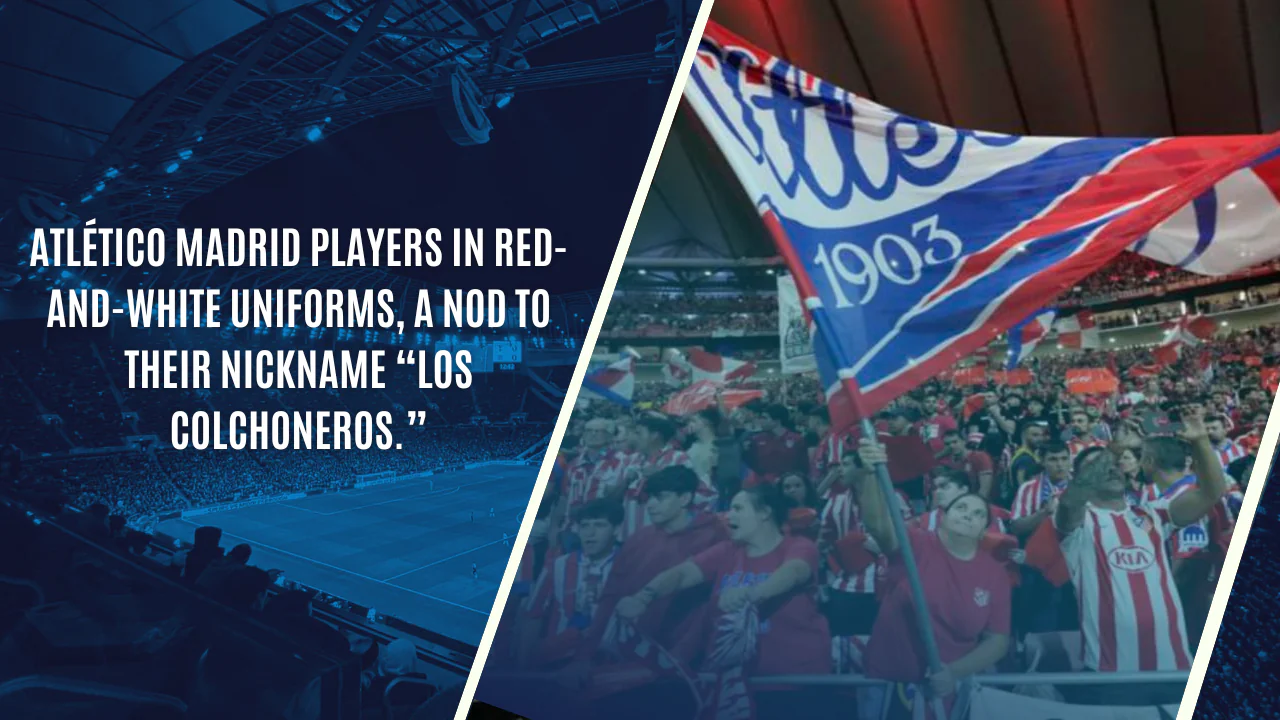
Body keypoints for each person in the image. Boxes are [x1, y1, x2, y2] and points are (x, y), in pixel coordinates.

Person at [1054, 409, 1227, 705]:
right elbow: (1072, 500)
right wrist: (1115, 449)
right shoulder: (1077, 525)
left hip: (1175, 668)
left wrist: (1200, 441)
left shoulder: (1153, 514)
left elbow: (1212, 492)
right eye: (1097, 466)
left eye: (1114, 464)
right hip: (1112, 675)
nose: (1111, 468)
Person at [616, 484, 831, 716]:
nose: (729, 516)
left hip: (793, 684)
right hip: (733, 687)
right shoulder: (727, 550)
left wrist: (753, 594)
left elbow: (794, 572)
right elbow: (681, 574)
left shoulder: (797, 546)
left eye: (738, 508)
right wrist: (645, 596)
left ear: (764, 513)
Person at [858, 439, 1011, 719]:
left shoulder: (994, 573)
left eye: (979, 514)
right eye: (962, 508)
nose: (969, 516)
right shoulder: (915, 543)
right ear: (944, 515)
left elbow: (997, 640)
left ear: (983, 530)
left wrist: (954, 672)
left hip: (950, 689)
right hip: (892, 686)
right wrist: (869, 474)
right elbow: (878, 524)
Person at [519, 499, 622, 669]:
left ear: (616, 530)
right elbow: (532, 616)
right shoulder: (558, 566)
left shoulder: (629, 567)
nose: (590, 533)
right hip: (557, 661)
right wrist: (522, 667)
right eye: (585, 526)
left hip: (607, 667)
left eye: (599, 525)